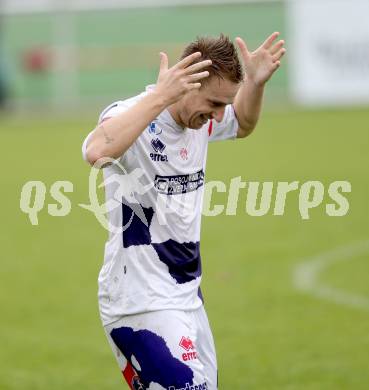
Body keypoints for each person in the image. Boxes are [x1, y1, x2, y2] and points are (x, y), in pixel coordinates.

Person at [82, 33, 285, 390]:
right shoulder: (135, 115)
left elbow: (243, 123)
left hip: (187, 298)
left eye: (224, 104)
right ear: (186, 83)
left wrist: (254, 82)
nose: (218, 115)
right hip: (139, 301)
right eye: (213, 103)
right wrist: (160, 96)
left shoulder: (201, 118)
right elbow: (96, 150)